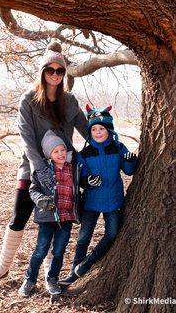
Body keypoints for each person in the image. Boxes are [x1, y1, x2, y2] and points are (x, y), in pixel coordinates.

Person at [0, 42, 88, 284]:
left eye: (59, 71)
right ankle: (3, 265)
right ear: (42, 72)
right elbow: (27, 139)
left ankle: (49, 270)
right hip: (32, 166)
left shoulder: (70, 101)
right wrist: (40, 170)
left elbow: (87, 130)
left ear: (64, 74)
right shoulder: (28, 100)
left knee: (58, 218)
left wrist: (106, 137)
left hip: (63, 169)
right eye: (49, 70)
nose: (54, 75)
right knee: (19, 214)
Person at [59, 104, 138, 285]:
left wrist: (130, 161)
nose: (98, 132)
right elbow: (80, 176)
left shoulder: (118, 147)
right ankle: (74, 271)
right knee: (84, 237)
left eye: (101, 128)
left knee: (112, 234)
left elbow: (128, 171)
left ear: (109, 129)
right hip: (91, 202)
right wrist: (87, 181)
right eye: (94, 129)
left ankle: (87, 264)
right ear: (90, 131)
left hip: (113, 200)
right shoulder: (85, 153)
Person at [18, 130, 82, 297]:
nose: (60, 153)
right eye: (56, 151)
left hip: (66, 217)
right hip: (48, 217)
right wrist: (40, 200)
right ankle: (29, 279)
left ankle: (52, 278)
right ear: (49, 154)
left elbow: (79, 185)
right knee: (41, 249)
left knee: (59, 251)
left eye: (62, 150)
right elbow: (33, 190)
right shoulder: (43, 171)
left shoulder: (73, 168)